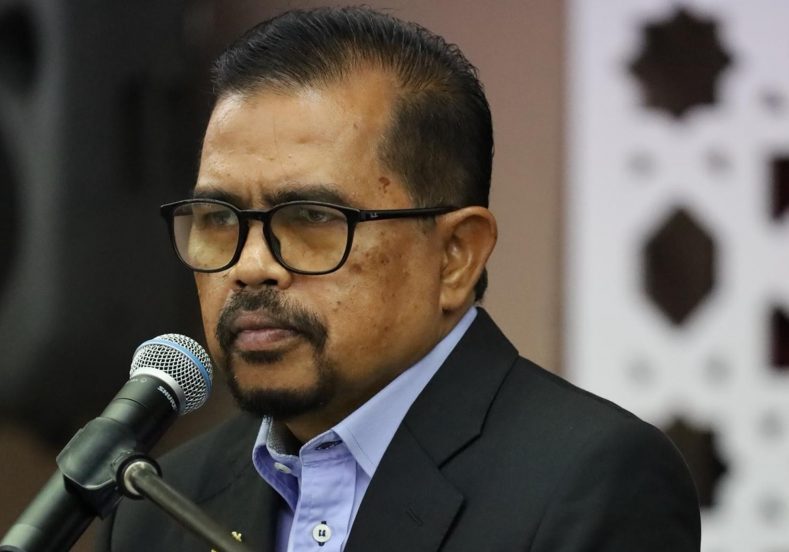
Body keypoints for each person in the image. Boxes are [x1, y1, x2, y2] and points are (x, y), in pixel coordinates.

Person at [99, 6, 700, 551]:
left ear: (456, 256)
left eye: (312, 218)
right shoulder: (158, 503)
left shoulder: (590, 482)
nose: (251, 265)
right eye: (218, 218)